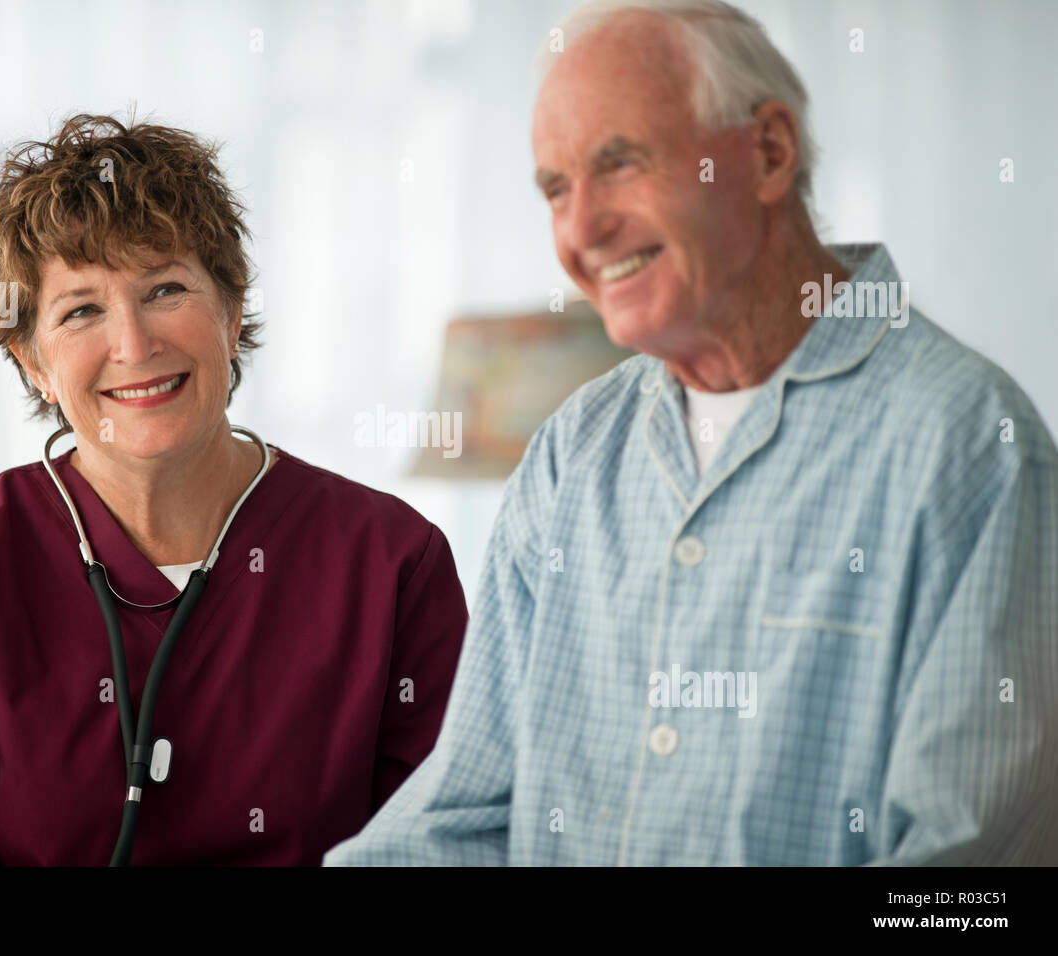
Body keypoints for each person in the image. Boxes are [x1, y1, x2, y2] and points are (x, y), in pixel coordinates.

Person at [325, 0, 1058, 866]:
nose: (581, 229)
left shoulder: (968, 445)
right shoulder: (572, 453)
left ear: (770, 153)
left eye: (621, 163)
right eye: (557, 188)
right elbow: (463, 820)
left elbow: (959, 884)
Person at [0, 113, 468, 866]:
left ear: (231, 313)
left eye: (165, 288)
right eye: (82, 310)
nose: (134, 345)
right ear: (32, 361)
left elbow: (442, 843)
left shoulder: (392, 558)